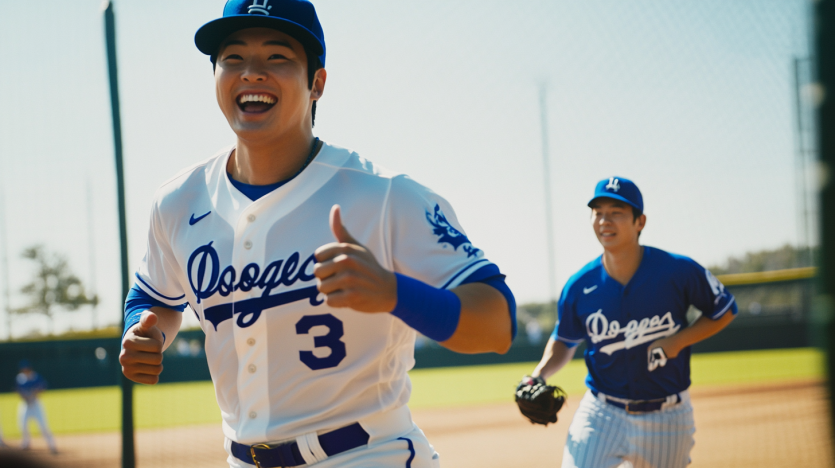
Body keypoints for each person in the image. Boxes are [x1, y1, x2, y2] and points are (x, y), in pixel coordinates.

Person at [119, 1, 516, 467]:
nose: (251, 73)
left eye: (277, 57)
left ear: (317, 84)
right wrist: (141, 332)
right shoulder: (177, 202)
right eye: (233, 58)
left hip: (369, 453)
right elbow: (153, 300)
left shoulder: (384, 195)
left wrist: (393, 292)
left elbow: (498, 324)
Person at [522, 176, 737, 468]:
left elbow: (724, 309)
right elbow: (564, 340)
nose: (604, 221)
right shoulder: (579, 285)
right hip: (601, 413)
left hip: (667, 417)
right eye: (598, 213)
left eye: (616, 213)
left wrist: (677, 341)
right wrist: (539, 375)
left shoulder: (677, 271)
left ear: (640, 222)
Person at [15, 361, 57, 454]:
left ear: (29, 368)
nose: (24, 370)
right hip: (25, 405)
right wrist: (25, 396)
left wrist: (34, 393)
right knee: (22, 425)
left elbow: (43, 387)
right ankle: (25, 444)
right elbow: (18, 390)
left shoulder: (36, 376)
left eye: (26, 368)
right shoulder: (20, 378)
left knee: (43, 426)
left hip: (36, 404)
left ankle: (52, 445)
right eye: (23, 369)